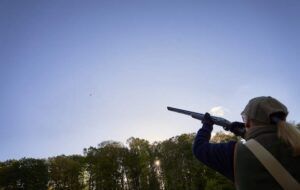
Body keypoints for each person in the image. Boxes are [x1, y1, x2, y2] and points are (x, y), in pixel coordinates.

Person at [192, 96, 300, 189]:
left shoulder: (236, 153)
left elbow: (199, 148)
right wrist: (244, 133)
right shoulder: (295, 143)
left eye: (244, 118)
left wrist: (207, 125)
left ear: (248, 122)